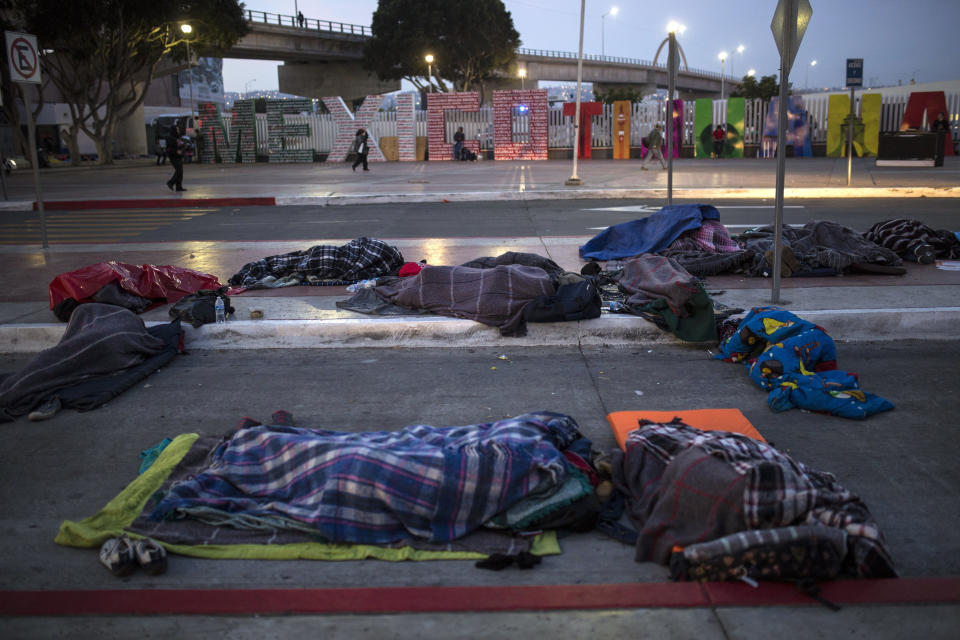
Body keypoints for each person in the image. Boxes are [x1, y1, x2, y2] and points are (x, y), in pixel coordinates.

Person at [166, 124, 186, 191]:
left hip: (178, 156)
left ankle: (178, 187)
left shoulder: (178, 137)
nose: (178, 130)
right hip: (173, 157)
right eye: (177, 129)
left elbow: (181, 146)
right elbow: (169, 149)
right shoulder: (170, 138)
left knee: (180, 171)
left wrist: (182, 151)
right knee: (179, 170)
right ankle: (170, 182)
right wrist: (176, 151)